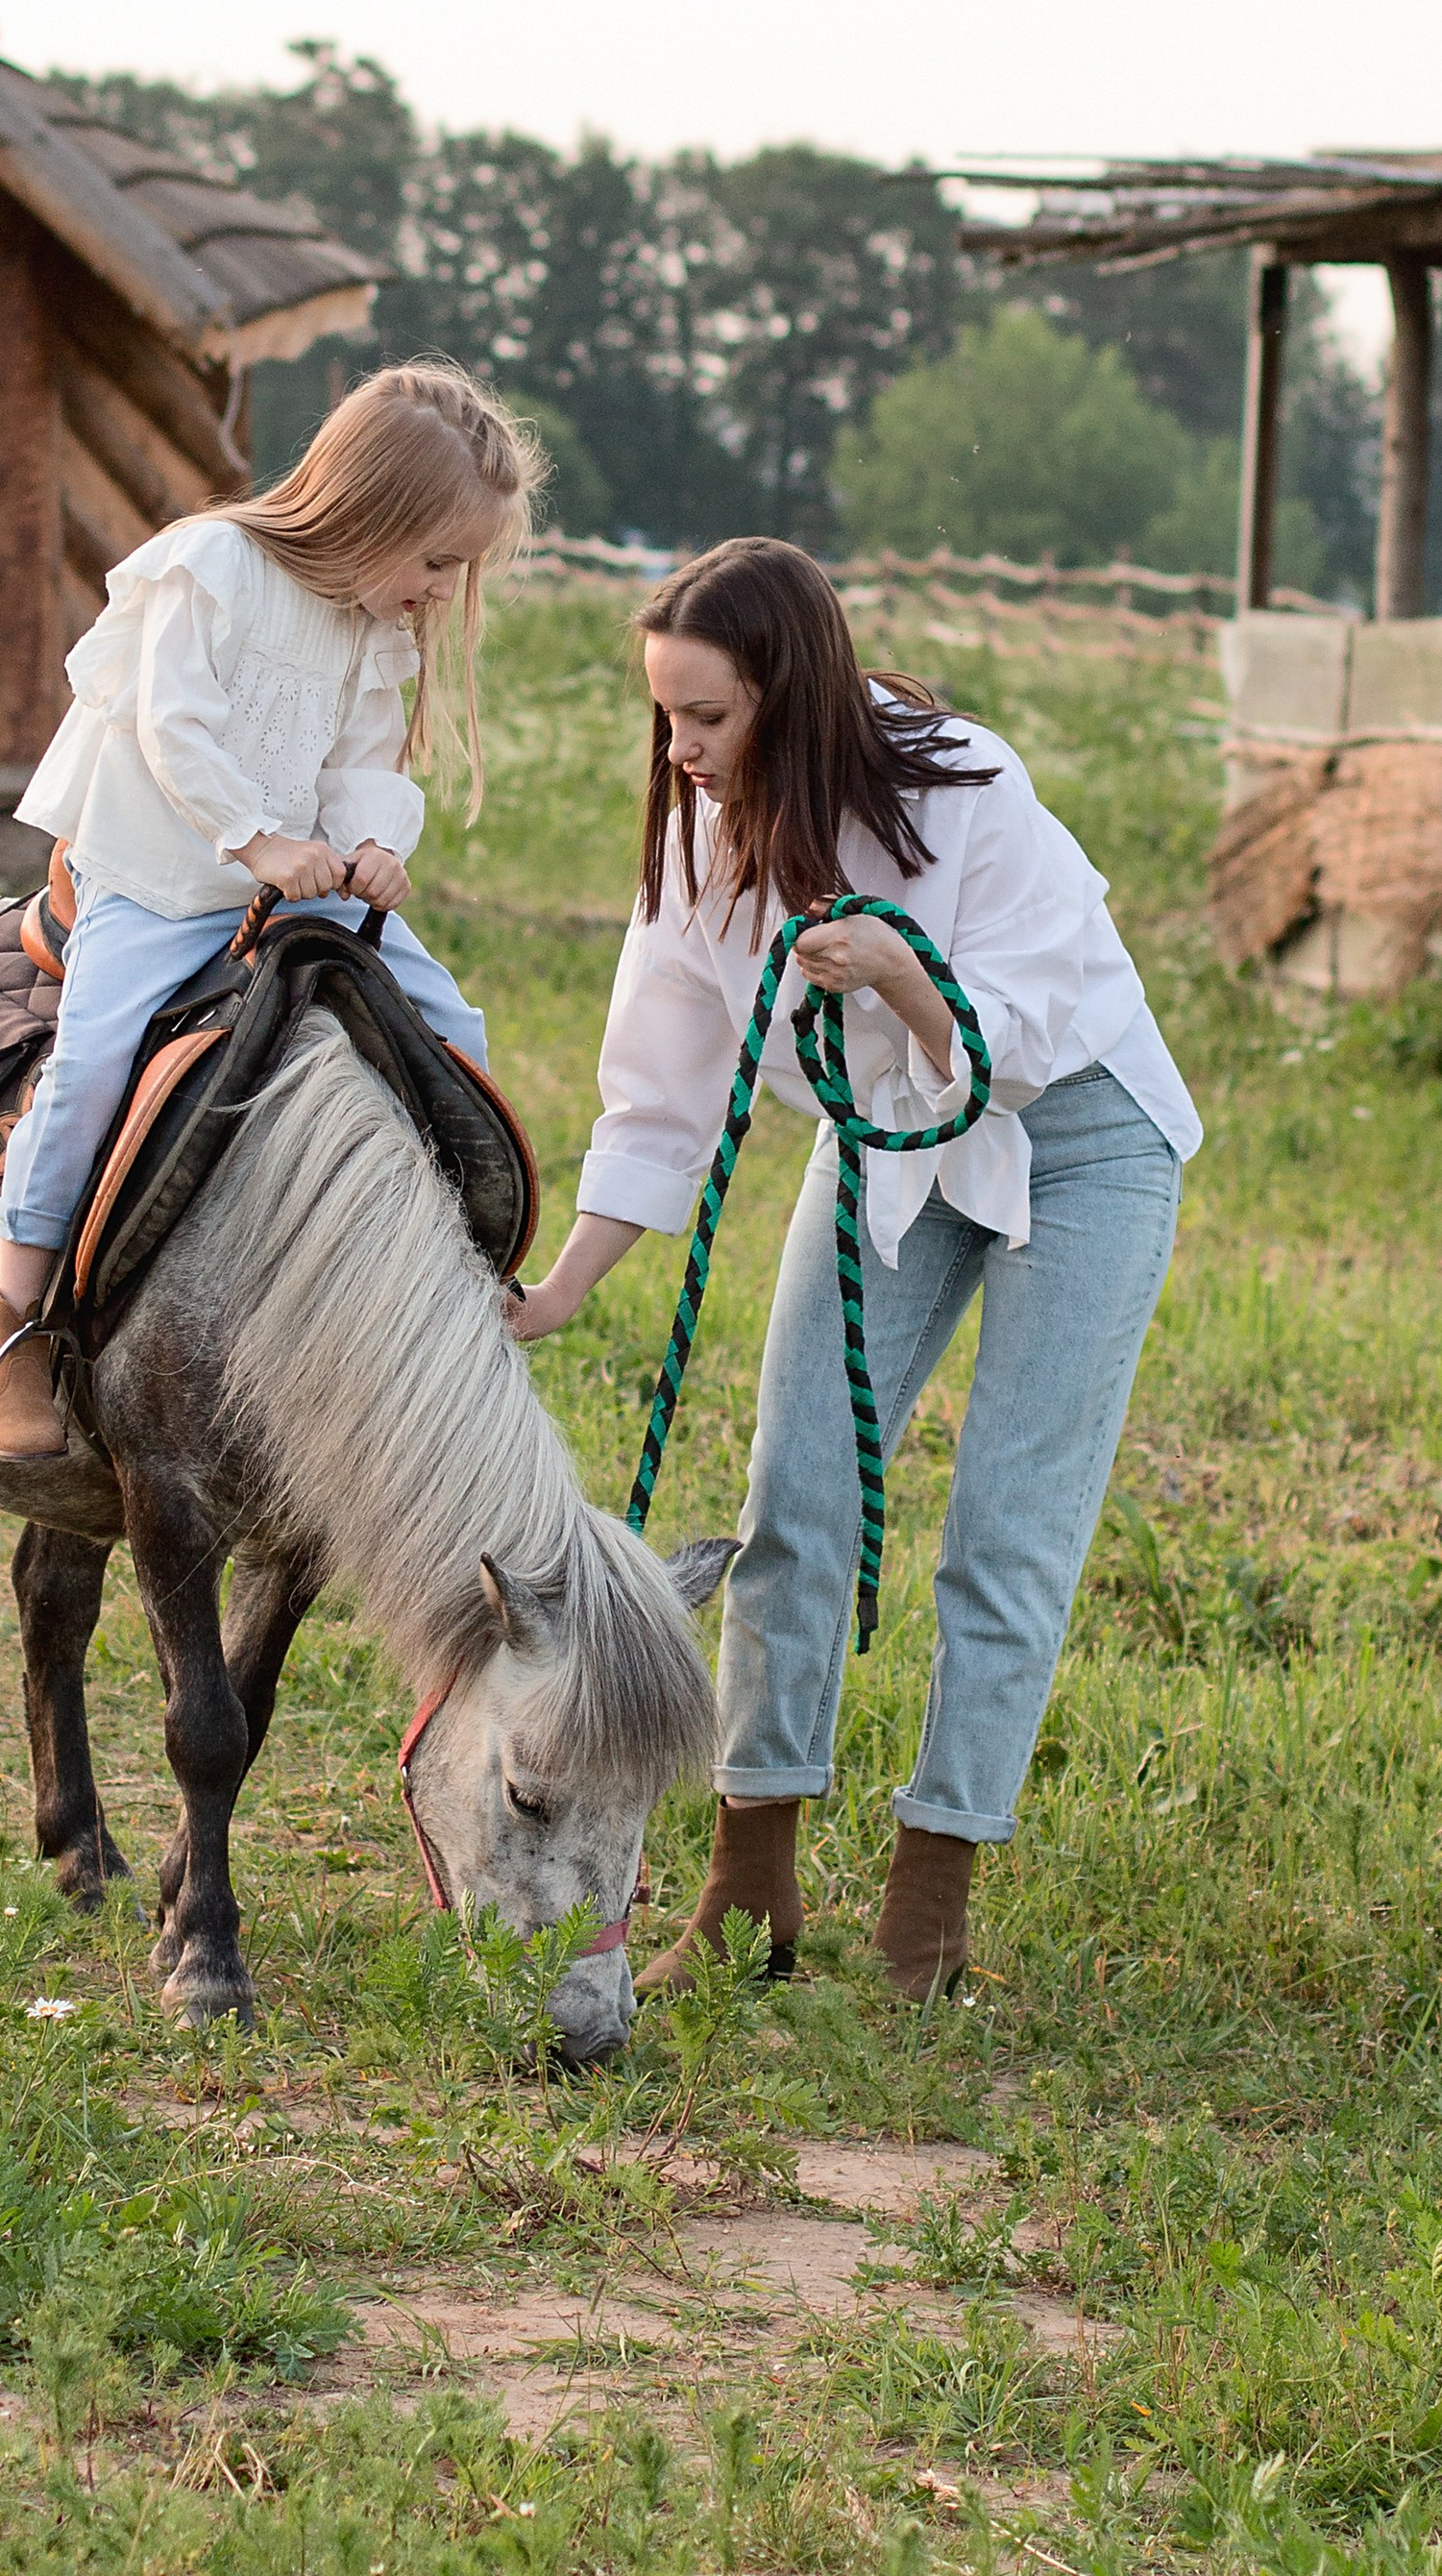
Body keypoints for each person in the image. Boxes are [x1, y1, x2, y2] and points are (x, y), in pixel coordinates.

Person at [508, 539, 1200, 2002]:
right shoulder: (699, 852)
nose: (680, 751)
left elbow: (1023, 1024)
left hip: (1076, 1137)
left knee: (1005, 1527)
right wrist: (561, 1290)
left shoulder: (963, 787)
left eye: (707, 717)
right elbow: (662, 1100)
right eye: (665, 718)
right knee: (795, 1494)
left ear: (791, 694)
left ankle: (931, 1906)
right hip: (884, 1148)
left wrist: (896, 972)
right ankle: (750, 1881)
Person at [0, 362, 539, 1458]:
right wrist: (256, 840)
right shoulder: (213, 564)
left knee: (454, 1029)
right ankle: (21, 1319)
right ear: (369, 512)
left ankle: (451, 1283)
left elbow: (362, 756)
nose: (438, 588)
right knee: (93, 1066)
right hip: (165, 877)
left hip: (298, 883)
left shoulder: (374, 624)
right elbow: (169, 723)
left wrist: (375, 839)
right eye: (434, 559)